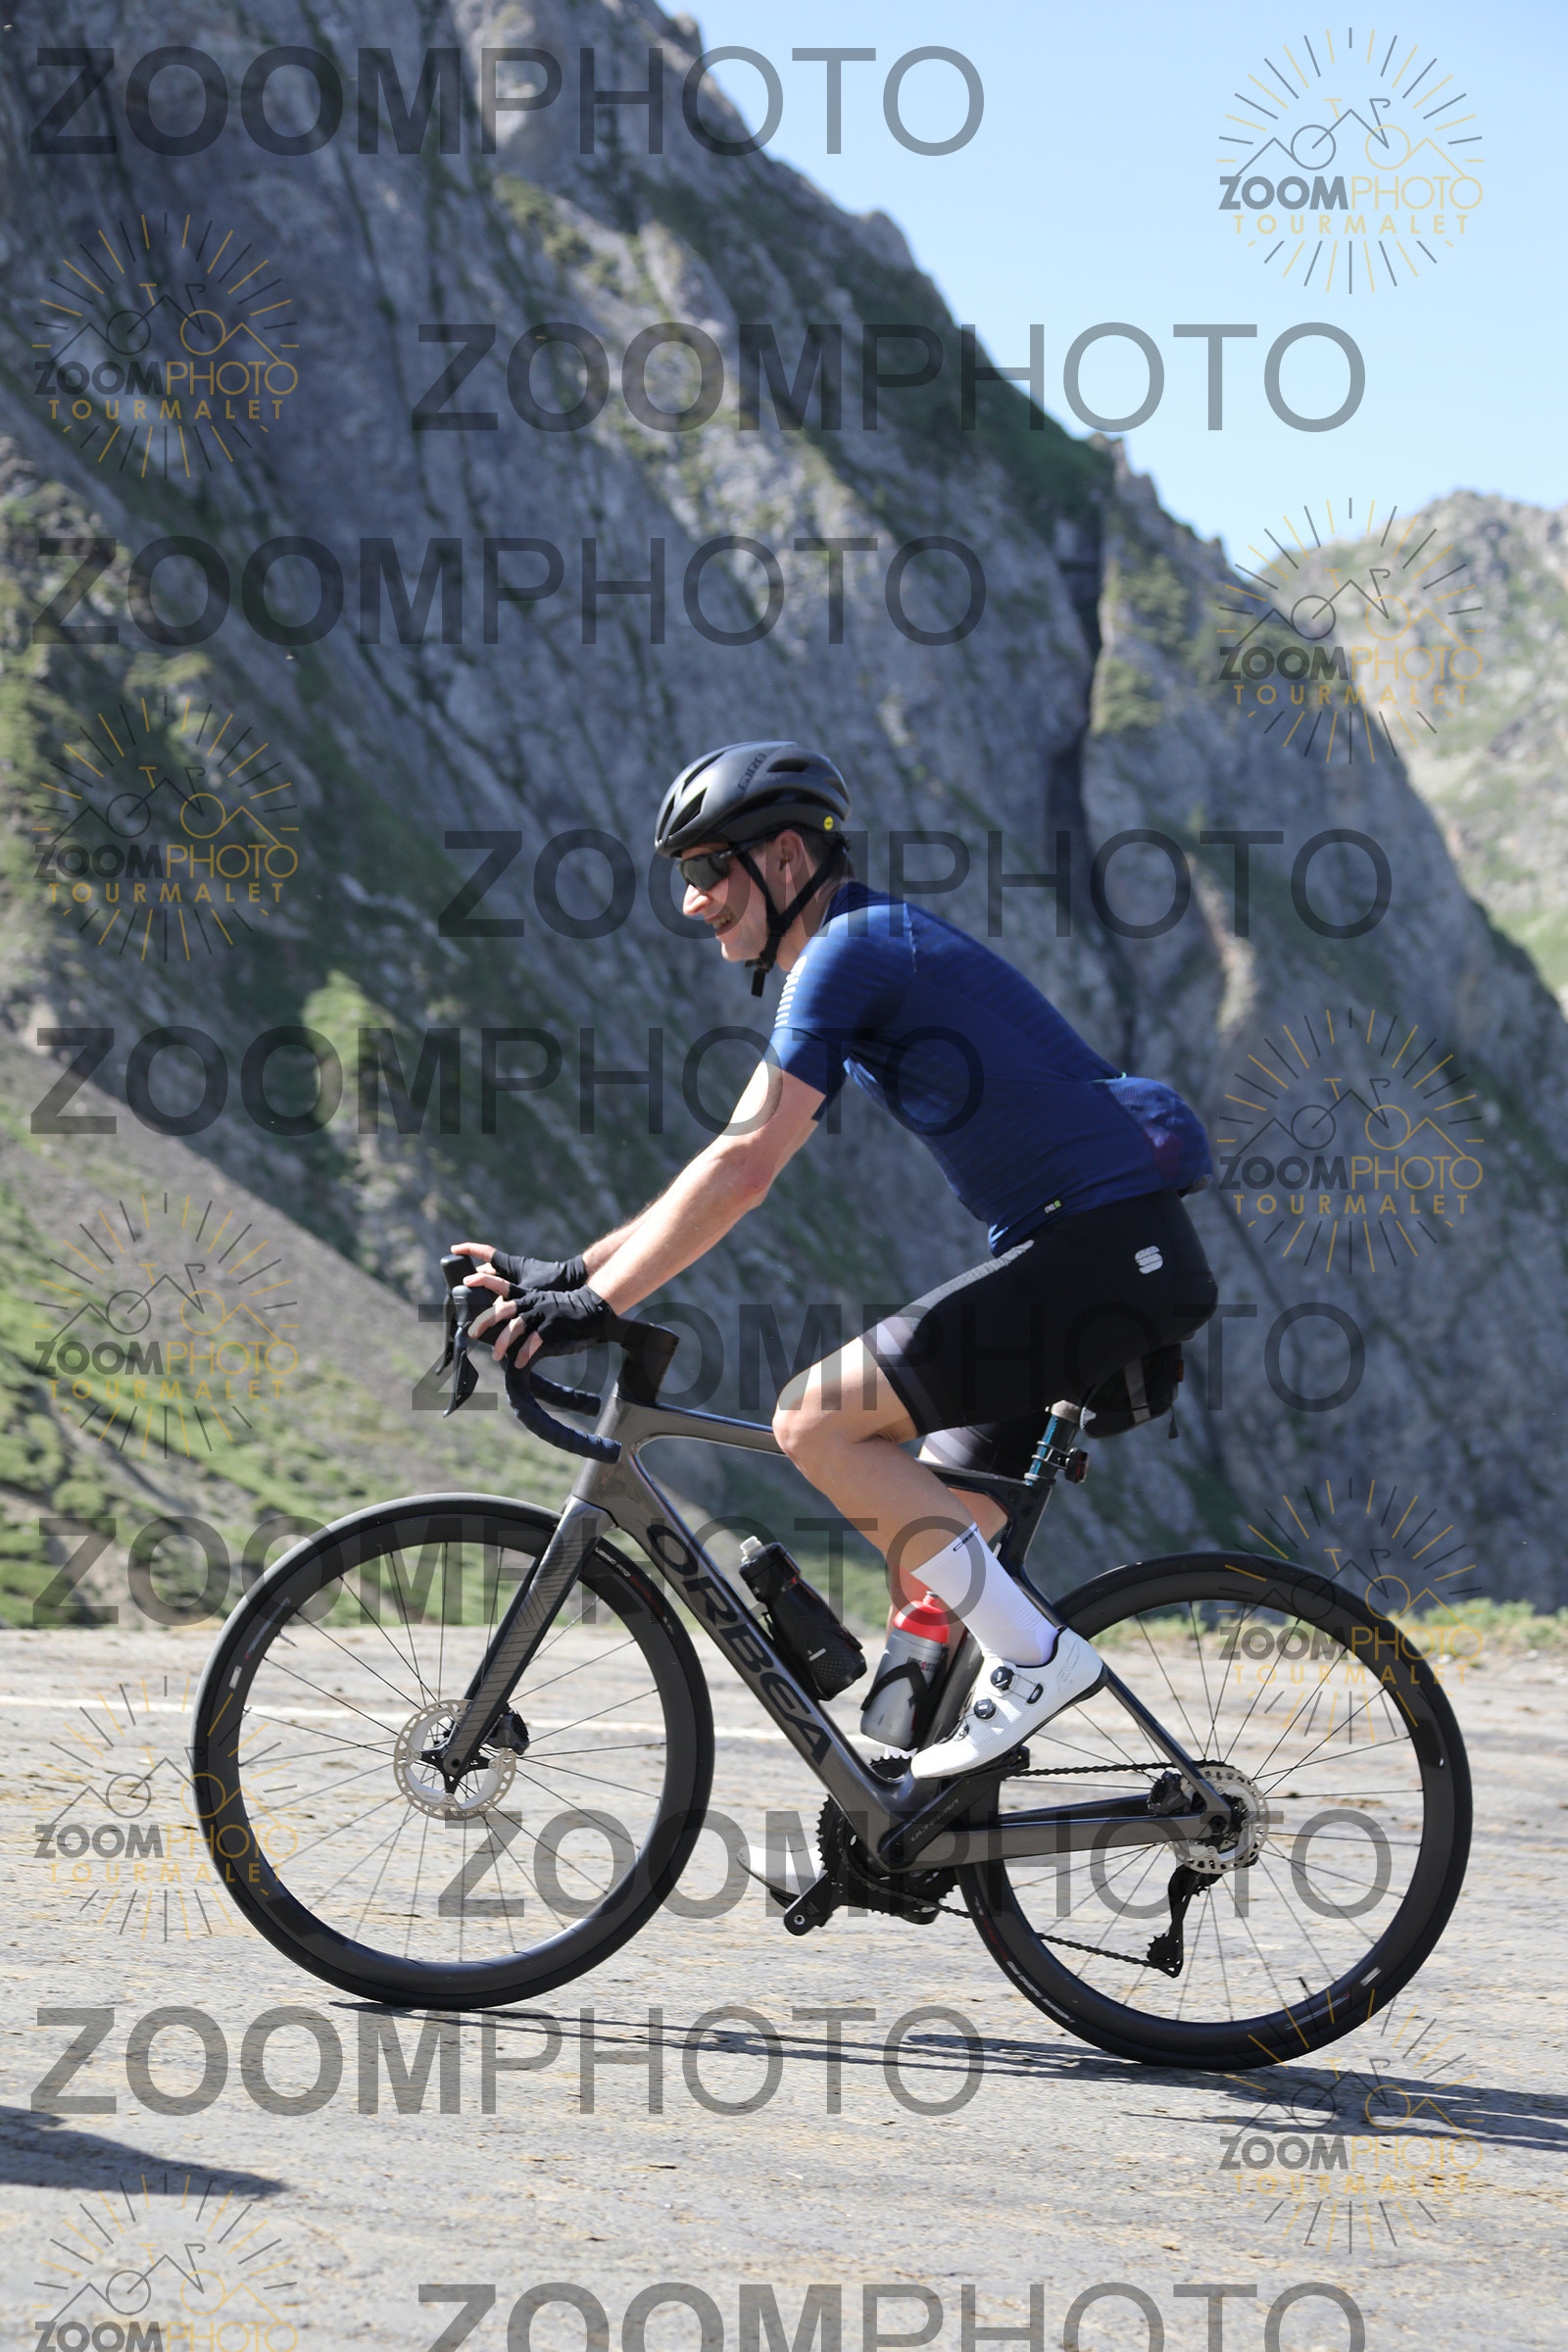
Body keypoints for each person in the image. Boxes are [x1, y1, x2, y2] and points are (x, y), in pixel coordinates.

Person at [456, 742, 1218, 1780]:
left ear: (783, 858)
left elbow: (744, 1167)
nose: (691, 901)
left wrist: (596, 1305)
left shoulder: (850, 950)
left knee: (815, 1419)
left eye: (706, 869)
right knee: (931, 1567)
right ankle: (914, 1821)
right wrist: (569, 1275)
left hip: (1105, 1252)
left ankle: (1040, 1663)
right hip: (1098, 1254)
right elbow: (725, 1157)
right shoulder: (861, 950)